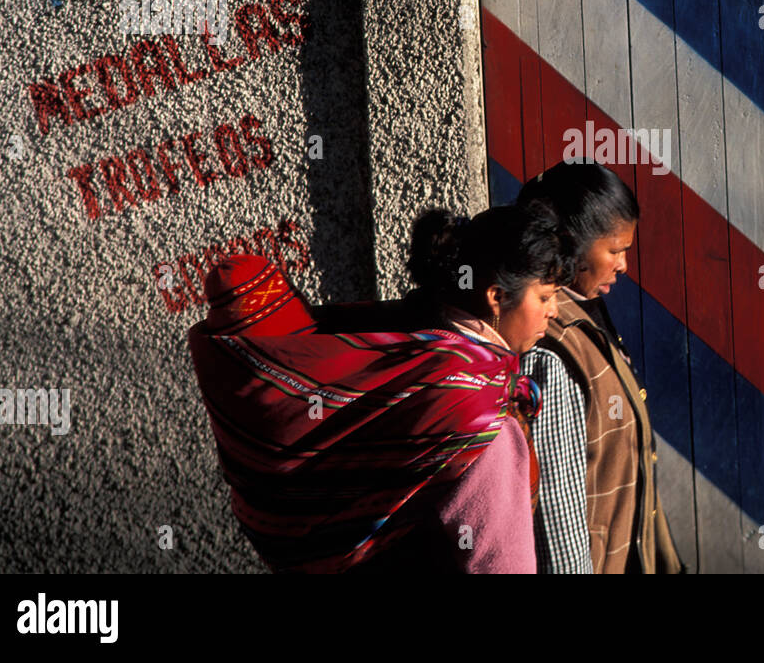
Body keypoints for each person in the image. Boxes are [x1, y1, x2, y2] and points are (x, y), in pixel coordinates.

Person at [187, 202, 572, 574]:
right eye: (545, 296)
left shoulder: (392, 354)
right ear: (496, 297)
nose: (553, 311)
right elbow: (501, 564)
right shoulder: (479, 414)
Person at [517, 162, 686, 574]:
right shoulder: (549, 349)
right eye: (615, 250)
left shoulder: (589, 320)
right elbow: (558, 513)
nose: (624, 264)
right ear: (571, 242)